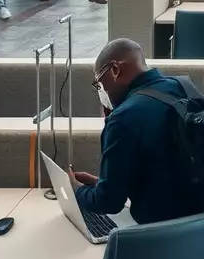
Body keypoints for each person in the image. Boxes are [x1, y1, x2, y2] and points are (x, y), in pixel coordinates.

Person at [71, 39, 192, 224]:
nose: (100, 91)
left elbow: (108, 203)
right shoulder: (183, 87)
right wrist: (101, 184)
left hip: (161, 237)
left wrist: (76, 189)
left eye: (99, 84)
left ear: (115, 70)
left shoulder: (123, 119)